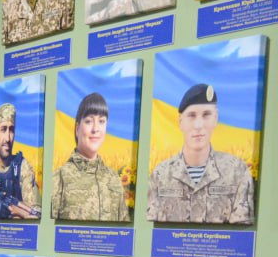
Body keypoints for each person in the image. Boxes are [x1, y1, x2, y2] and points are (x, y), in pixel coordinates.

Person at [147, 83, 255, 224]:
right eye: (191, 116)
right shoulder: (161, 175)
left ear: (215, 118)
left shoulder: (237, 172)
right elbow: (150, 229)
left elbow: (243, 231)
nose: (198, 125)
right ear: (181, 122)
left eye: (206, 115)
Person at [51, 93, 130, 222]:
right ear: (77, 129)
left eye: (101, 121)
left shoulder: (114, 179)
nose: (95, 129)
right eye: (89, 121)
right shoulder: (59, 179)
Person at [0, 103, 41, 219]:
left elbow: (36, 214)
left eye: (11, 130)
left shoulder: (22, 167)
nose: (8, 138)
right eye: (3, 129)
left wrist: (16, 212)